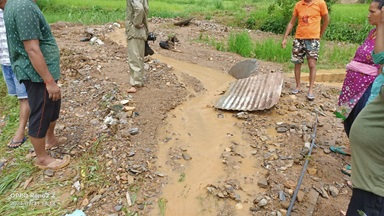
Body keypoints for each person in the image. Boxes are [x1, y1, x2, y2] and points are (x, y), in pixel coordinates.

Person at [0, 0, 70, 169]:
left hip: (40, 73)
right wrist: (49, 81)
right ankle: (42, 159)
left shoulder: (19, 4)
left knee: (52, 107)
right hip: (36, 75)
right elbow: (32, 49)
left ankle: (50, 140)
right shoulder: (23, 7)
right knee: (41, 113)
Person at [345, 3, 384, 215]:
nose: (368, 14)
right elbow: (380, 58)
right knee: (348, 117)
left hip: (376, 191)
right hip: (356, 84)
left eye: (373, 11)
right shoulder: (374, 32)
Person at [281, 0, 329, 101]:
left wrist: (320, 34)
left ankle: (310, 90)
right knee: (297, 63)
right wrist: (285, 38)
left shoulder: (320, 3)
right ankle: (298, 86)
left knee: (312, 64)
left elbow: (326, 20)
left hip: (313, 39)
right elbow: (291, 22)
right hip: (299, 38)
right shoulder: (298, 5)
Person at [0, 9, 30, 149]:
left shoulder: (16, 10)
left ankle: (21, 132)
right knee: (20, 97)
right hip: (4, 61)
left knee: (24, 98)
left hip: (18, 63)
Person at [125, 0, 149, 93]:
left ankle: (135, 83)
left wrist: (136, 22)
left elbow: (139, 8)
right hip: (142, 31)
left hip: (134, 30)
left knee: (134, 57)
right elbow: (145, 8)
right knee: (139, 56)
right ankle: (139, 80)